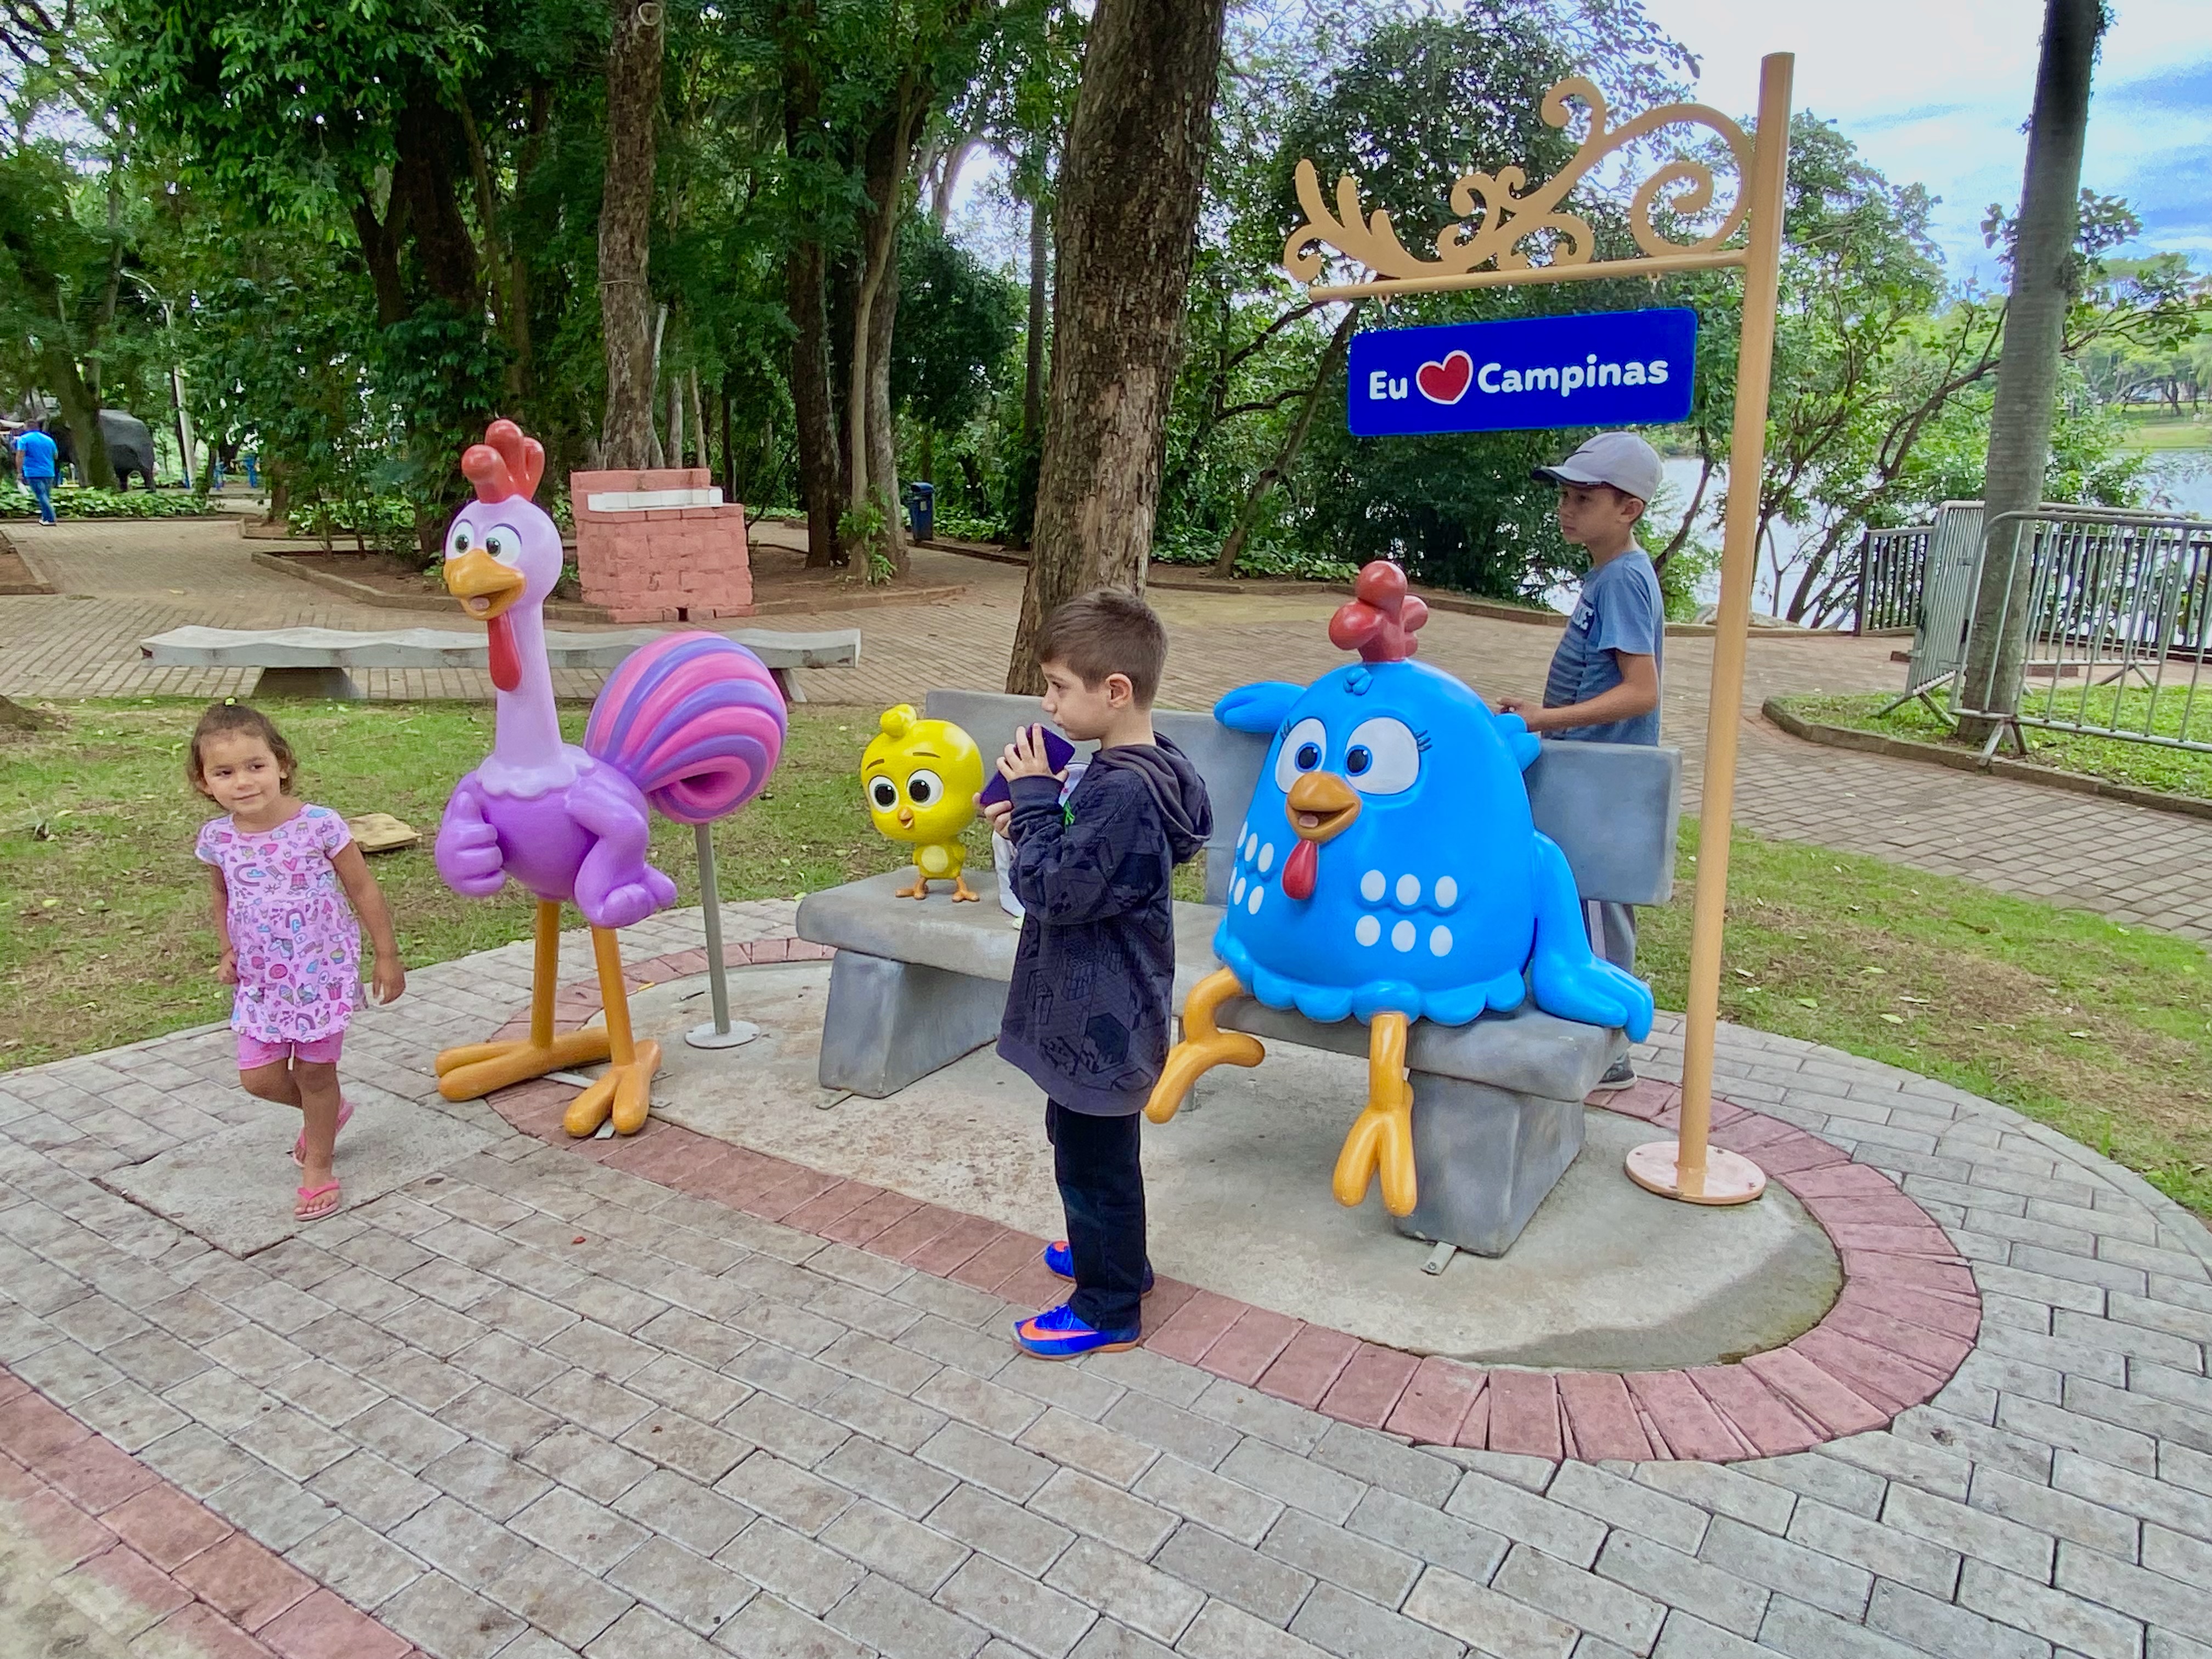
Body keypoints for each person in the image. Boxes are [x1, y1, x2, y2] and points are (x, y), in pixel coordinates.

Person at [980, 591, 1211, 1359]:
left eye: (1057, 687)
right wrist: (1035, 820)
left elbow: (1056, 892)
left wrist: (1039, 802)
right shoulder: (1146, 769)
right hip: (1111, 1003)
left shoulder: (1119, 788)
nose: (1047, 703)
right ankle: (1119, 1259)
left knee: (1091, 1163)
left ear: (1116, 691)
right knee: (1093, 1149)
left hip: (1098, 1017)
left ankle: (1108, 1306)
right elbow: (1090, 868)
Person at [1494, 430, 1664, 1092]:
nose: (1567, 509)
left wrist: (1544, 721)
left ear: (1629, 509)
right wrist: (1541, 712)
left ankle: (1606, 1049)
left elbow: (1640, 690)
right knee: (1580, 901)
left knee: (1593, 905)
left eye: (1584, 498)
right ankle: (1599, 1039)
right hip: (1587, 770)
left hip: (1605, 778)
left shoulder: (1624, 578)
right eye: (1564, 496)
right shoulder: (1610, 574)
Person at [190, 703, 405, 1221]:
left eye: (255, 765)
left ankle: (320, 1167)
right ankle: (327, 1114)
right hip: (262, 979)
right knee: (259, 1079)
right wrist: (227, 949)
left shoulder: (320, 825)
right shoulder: (218, 839)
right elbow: (223, 897)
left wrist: (388, 955)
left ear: (282, 764)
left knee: (314, 1072)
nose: (243, 781)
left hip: (320, 972)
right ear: (204, 783)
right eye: (224, 772)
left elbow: (362, 888)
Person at [13, 426, 59, 524]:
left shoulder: (24, 439)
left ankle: (50, 518)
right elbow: (55, 455)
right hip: (49, 472)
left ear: (27, 428)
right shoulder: (48, 439)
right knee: (46, 495)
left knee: (41, 495)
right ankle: (45, 517)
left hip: (33, 472)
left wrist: (19, 472)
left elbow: (20, 455)